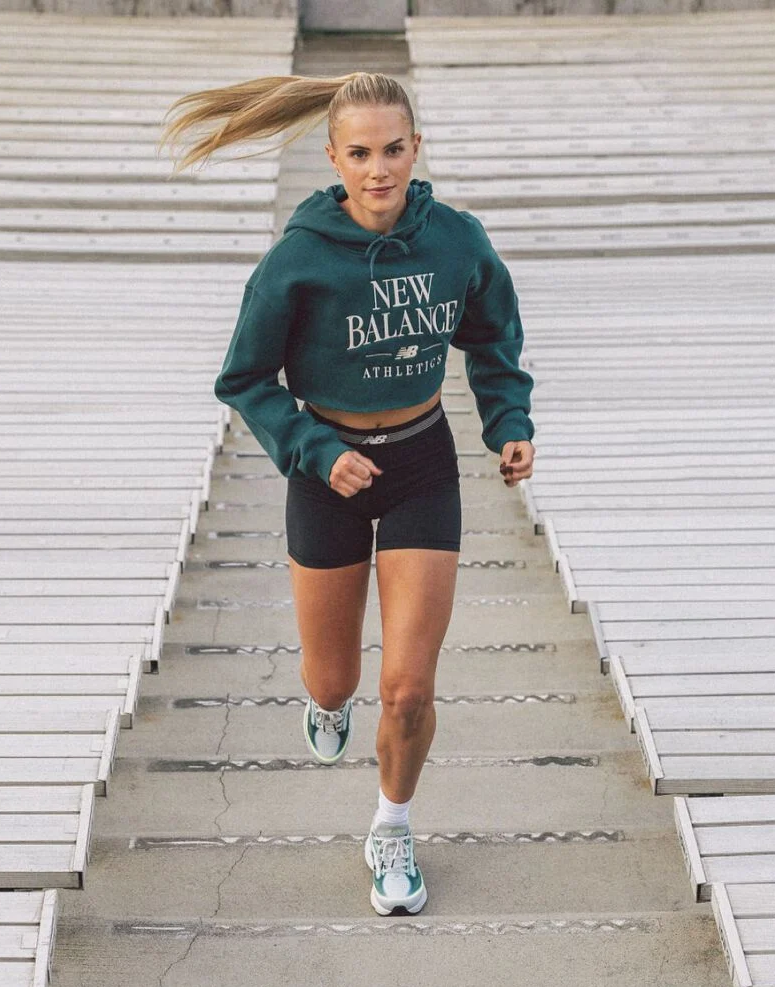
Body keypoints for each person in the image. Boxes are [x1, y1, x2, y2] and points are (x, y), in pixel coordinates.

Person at [160, 71, 536, 916]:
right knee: (333, 680)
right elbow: (244, 377)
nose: (379, 170)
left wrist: (508, 420)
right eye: (360, 153)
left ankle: (392, 825)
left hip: (420, 466)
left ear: (416, 149)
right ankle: (325, 704)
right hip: (325, 477)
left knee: (406, 688)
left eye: (394, 149)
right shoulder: (295, 262)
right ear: (331, 157)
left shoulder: (457, 241)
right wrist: (314, 448)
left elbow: (492, 339)